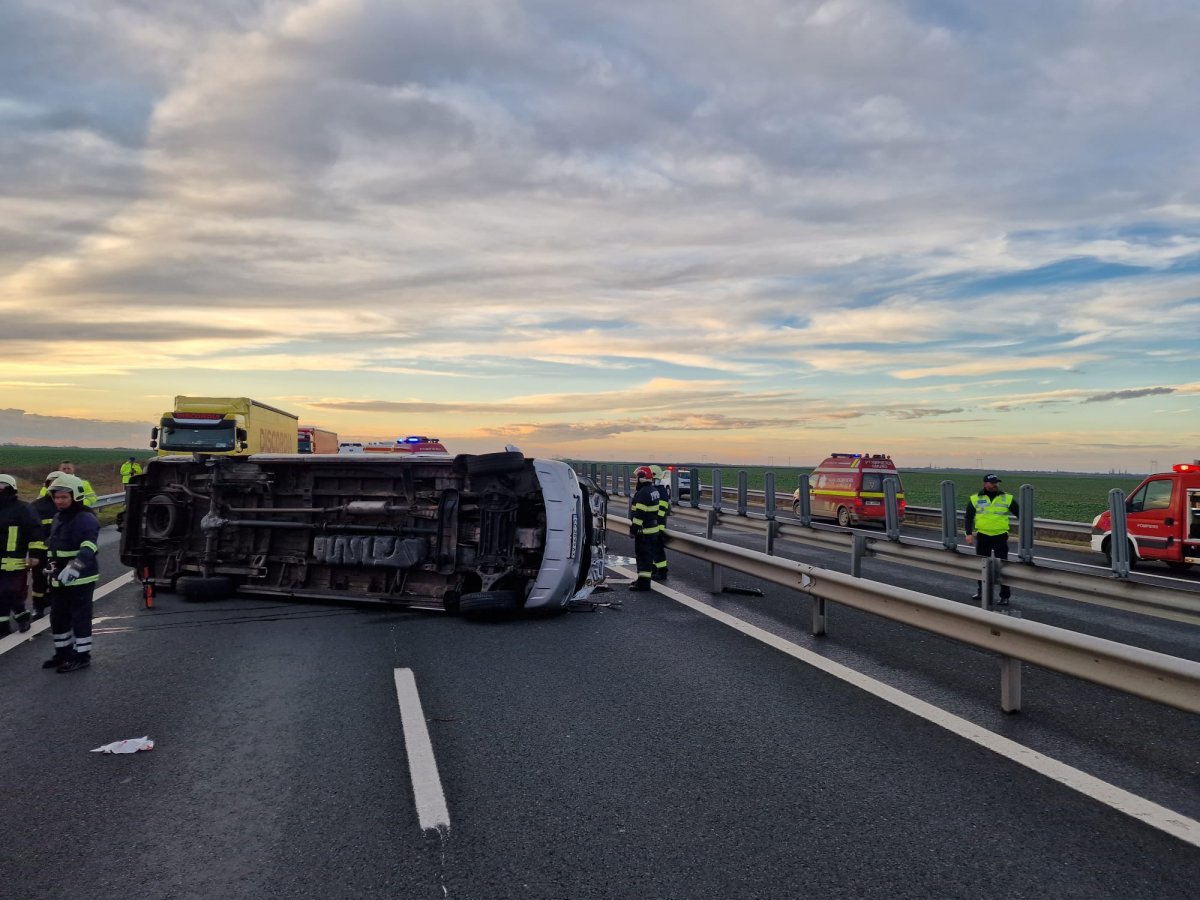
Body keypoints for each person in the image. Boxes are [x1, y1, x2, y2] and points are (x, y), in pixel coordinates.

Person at [42, 474, 100, 673]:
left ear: (75, 496)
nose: (59, 501)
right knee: (58, 616)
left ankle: (82, 655)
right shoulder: (59, 516)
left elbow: (89, 546)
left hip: (81, 577)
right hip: (59, 577)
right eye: (56, 497)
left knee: (80, 616)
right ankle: (62, 653)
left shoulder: (85, 517)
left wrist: (74, 567)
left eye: (64, 497)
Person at [964, 474, 1019, 606]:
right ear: (985, 483)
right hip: (983, 536)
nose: (995, 485)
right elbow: (968, 517)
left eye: (997, 483)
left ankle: (1005, 596)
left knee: (1002, 567)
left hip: (1000, 536)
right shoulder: (975, 498)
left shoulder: (1007, 497)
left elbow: (1020, 513)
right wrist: (968, 534)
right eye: (992, 483)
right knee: (982, 566)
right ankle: (982, 592)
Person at [0, 474, 39, 635]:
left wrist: (35, 554)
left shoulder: (23, 508)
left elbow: (35, 532)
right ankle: (5, 626)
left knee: (11, 592)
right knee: (1, 594)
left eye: (2, 487)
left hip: (16, 561)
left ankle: (21, 617)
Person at [27, 473, 61, 620]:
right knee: (38, 580)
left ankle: (57, 604)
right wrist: (33, 554)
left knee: (59, 579)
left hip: (61, 552)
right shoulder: (35, 506)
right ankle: (38, 607)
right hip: (40, 550)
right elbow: (30, 531)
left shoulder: (67, 504)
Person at [628, 466, 665, 591]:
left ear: (642, 478)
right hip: (652, 529)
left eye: (637, 478)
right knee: (647, 557)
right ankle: (642, 580)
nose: (636, 480)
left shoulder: (643, 493)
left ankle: (644, 584)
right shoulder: (653, 490)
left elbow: (640, 514)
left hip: (644, 532)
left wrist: (634, 529)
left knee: (643, 557)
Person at [648, 465, 670, 581]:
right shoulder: (657, 491)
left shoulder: (661, 492)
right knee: (653, 550)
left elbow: (660, 513)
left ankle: (662, 572)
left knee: (658, 551)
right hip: (654, 526)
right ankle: (655, 570)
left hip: (658, 527)